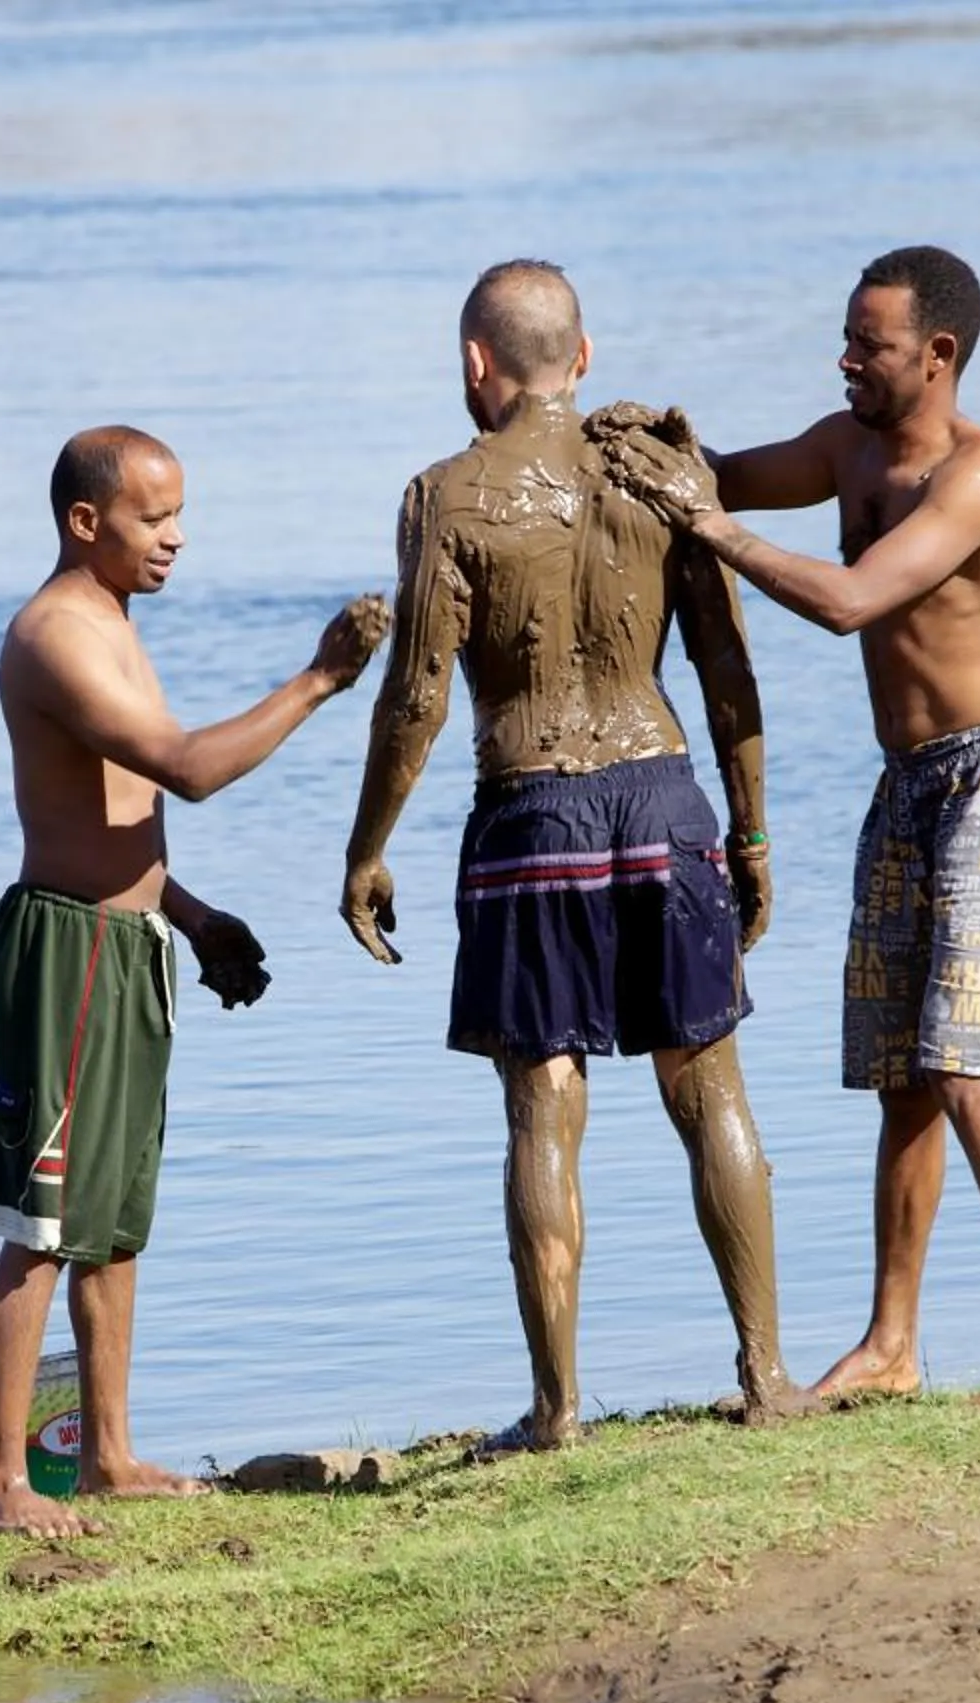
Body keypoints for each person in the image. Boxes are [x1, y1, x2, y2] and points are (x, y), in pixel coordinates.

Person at [602, 244, 980, 1412]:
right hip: (910, 786)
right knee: (904, 1080)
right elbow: (720, 478)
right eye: (845, 337)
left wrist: (710, 526)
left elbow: (849, 600)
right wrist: (667, 451)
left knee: (963, 1063)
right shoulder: (848, 451)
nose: (845, 361)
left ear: (937, 354)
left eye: (867, 345)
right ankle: (892, 1343)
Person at [339, 259, 818, 1455]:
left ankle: (556, 1411)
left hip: (532, 807)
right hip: (664, 795)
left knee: (544, 1107)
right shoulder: (665, 473)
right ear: (584, 356)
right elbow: (725, 669)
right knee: (709, 1087)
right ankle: (768, 1374)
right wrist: (750, 831)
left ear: (474, 364)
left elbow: (416, 700)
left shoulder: (446, 497)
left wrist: (366, 849)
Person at [0, 424, 388, 1536]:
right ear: (84, 522)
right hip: (60, 950)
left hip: (129, 942)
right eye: (154, 518)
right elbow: (191, 770)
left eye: (178, 515)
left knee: (113, 1219)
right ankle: (1, 1481)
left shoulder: (111, 624)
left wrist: (192, 917)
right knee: (45, 1218)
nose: (176, 538)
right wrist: (320, 679)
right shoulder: (54, 634)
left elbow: (121, 816)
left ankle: (105, 1454)